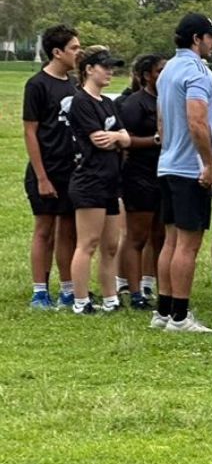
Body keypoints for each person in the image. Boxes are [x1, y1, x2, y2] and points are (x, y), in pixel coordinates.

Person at [155, 12, 212, 333]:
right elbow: (197, 121)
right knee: (188, 244)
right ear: (197, 39)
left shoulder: (168, 69)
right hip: (189, 169)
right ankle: (181, 318)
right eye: (210, 36)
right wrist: (209, 163)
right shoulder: (198, 72)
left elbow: (161, 121)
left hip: (168, 163)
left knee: (171, 240)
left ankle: (164, 311)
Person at [68, 47, 131, 314]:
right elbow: (99, 140)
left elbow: (125, 138)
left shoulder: (107, 102)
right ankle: (81, 301)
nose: (109, 72)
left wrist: (118, 137)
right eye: (104, 66)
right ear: (89, 69)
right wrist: (117, 138)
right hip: (89, 180)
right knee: (88, 243)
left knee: (111, 245)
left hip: (111, 181)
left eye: (111, 67)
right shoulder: (81, 101)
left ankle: (110, 298)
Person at [23, 23, 82, 309]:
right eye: (74, 48)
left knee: (68, 230)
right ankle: (40, 292)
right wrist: (41, 176)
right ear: (57, 52)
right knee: (44, 229)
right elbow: (30, 131)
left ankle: (68, 289)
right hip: (46, 170)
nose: (78, 53)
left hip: (72, 169)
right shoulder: (37, 85)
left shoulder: (73, 84)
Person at [118, 53, 166, 311]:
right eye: (159, 71)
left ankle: (161, 289)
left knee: (161, 235)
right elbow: (125, 140)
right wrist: (156, 140)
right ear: (147, 75)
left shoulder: (170, 100)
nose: (164, 75)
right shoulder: (135, 104)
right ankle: (134, 292)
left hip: (164, 175)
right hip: (139, 175)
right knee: (137, 237)